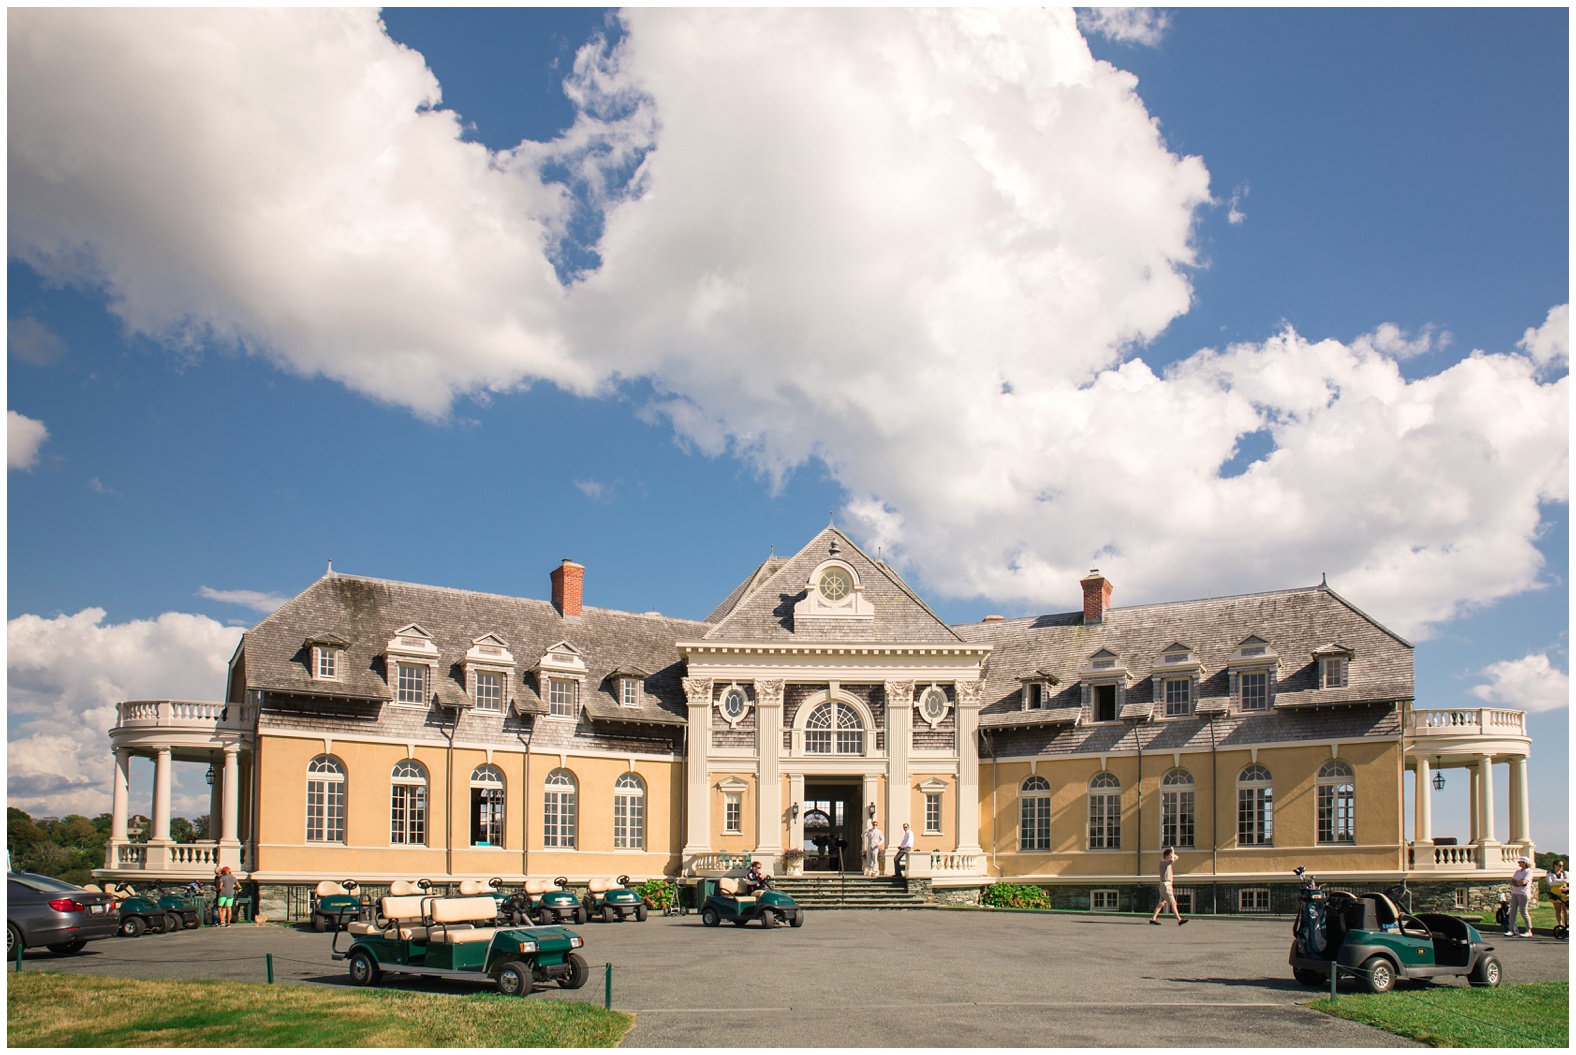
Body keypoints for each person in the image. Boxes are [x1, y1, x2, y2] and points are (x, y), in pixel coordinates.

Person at [1148, 847, 1188, 926]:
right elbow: (1173, 860)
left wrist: (1171, 852)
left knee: (1161, 904)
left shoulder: (1167, 862)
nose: (1171, 856)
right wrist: (1172, 851)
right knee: (1173, 903)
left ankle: (1153, 918)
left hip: (1165, 886)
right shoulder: (1163, 862)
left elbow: (1176, 857)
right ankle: (1179, 920)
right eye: (1169, 855)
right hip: (1166, 886)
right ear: (1166, 856)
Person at [1507, 855, 1533, 937]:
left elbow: (1524, 882)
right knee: (1512, 911)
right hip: (1515, 892)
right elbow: (1512, 881)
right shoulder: (1518, 872)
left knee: (1523, 911)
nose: (1519, 863)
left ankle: (1528, 930)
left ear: (1525, 863)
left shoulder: (1529, 871)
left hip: (1523, 893)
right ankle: (1511, 930)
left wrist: (1518, 883)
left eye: (1520, 862)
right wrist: (1518, 883)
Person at [1546, 859, 1568, 936]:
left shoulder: (1564, 873)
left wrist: (1557, 881)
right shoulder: (1550, 874)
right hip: (1555, 892)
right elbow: (1550, 883)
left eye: (1562, 866)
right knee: (1557, 910)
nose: (1561, 867)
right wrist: (1562, 881)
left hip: (1563, 892)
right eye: (1560, 865)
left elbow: (1568, 880)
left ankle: (1566, 923)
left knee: (1565, 909)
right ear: (1555, 866)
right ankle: (1560, 924)